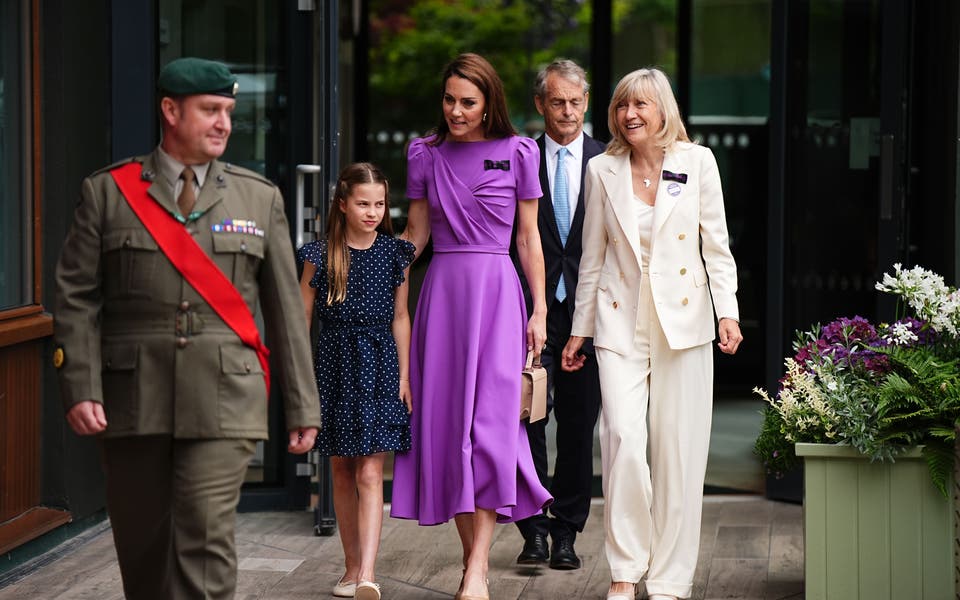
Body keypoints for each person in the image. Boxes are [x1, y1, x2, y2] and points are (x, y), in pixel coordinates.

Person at [53, 57, 321, 600]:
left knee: (204, 538)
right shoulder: (108, 193)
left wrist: (302, 407)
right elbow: (75, 297)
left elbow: (287, 314)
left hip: (226, 395)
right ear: (171, 110)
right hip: (133, 395)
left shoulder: (258, 197)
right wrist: (81, 384)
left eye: (228, 111)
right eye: (210, 110)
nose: (224, 123)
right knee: (144, 546)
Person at [561, 67, 743, 600]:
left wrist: (726, 313)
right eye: (622, 105)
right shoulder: (602, 169)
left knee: (679, 453)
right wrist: (579, 331)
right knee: (622, 440)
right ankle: (625, 568)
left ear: (663, 110)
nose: (630, 114)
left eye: (641, 105)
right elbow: (591, 258)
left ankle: (669, 579)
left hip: (683, 322)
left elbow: (717, 248)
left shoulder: (698, 162)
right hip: (620, 321)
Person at [390, 52, 553, 600]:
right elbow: (415, 233)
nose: (455, 111)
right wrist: (369, 268)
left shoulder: (519, 152)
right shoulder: (425, 154)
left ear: (489, 106)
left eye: (467, 102)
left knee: (491, 431)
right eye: (449, 100)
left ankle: (477, 568)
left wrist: (540, 309)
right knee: (448, 432)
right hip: (443, 298)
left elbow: (529, 238)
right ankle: (473, 562)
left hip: (499, 297)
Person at [297, 163, 414, 600]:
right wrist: (301, 380)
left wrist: (405, 375)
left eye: (379, 204)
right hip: (332, 365)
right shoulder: (320, 254)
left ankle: (367, 573)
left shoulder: (394, 253)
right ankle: (349, 569)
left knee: (369, 469)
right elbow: (301, 318)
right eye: (363, 203)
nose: (372, 211)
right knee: (340, 468)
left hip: (380, 363)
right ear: (343, 204)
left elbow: (401, 316)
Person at [512, 59, 605, 571]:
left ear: (585, 103)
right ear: (540, 104)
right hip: (531, 311)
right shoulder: (520, 156)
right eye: (556, 102)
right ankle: (534, 528)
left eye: (574, 101)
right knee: (527, 420)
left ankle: (568, 530)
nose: (566, 111)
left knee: (576, 425)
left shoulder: (607, 159)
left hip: (589, 316)